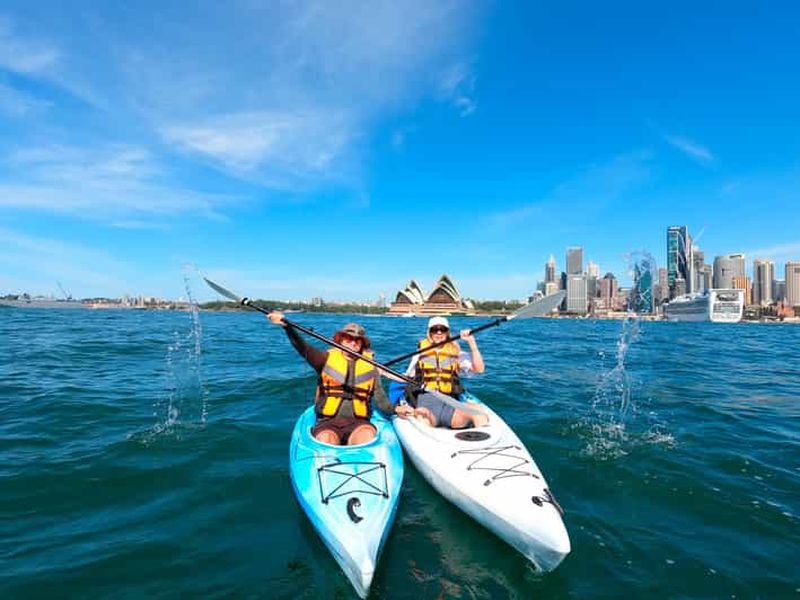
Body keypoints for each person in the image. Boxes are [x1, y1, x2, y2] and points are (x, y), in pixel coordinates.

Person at [268, 312, 413, 445]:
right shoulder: (324, 359)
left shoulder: (371, 367)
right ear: (341, 339)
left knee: (367, 436)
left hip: (359, 423)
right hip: (328, 422)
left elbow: (382, 401)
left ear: (362, 343)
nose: (353, 342)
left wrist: (396, 409)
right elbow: (302, 347)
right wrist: (288, 328)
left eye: (358, 340)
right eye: (349, 338)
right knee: (327, 439)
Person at [405, 316, 488, 428]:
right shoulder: (420, 353)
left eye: (442, 329)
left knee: (478, 411)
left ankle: (483, 442)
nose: (439, 332)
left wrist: (471, 343)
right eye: (435, 329)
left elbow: (479, 369)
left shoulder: (456, 352)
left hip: (451, 405)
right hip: (427, 405)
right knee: (421, 414)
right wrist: (383, 373)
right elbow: (406, 376)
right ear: (429, 332)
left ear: (447, 332)